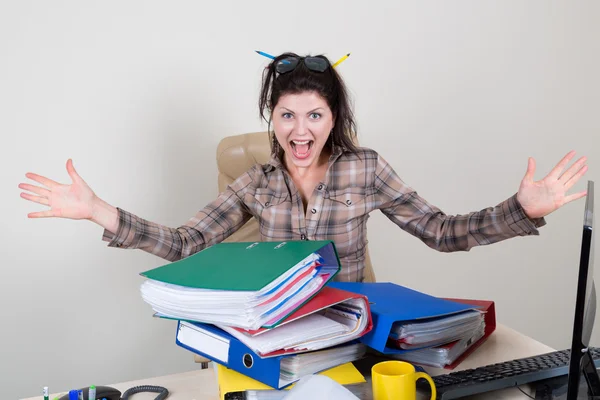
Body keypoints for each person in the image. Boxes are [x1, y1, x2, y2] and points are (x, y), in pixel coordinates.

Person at [19, 52, 588, 283]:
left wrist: (521, 211)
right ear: (272, 120)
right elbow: (185, 242)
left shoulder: (365, 169)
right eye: (287, 115)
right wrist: (96, 210)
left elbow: (440, 232)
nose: (300, 130)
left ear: (333, 117)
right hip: (276, 328)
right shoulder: (256, 182)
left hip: (351, 321)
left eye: (314, 115)